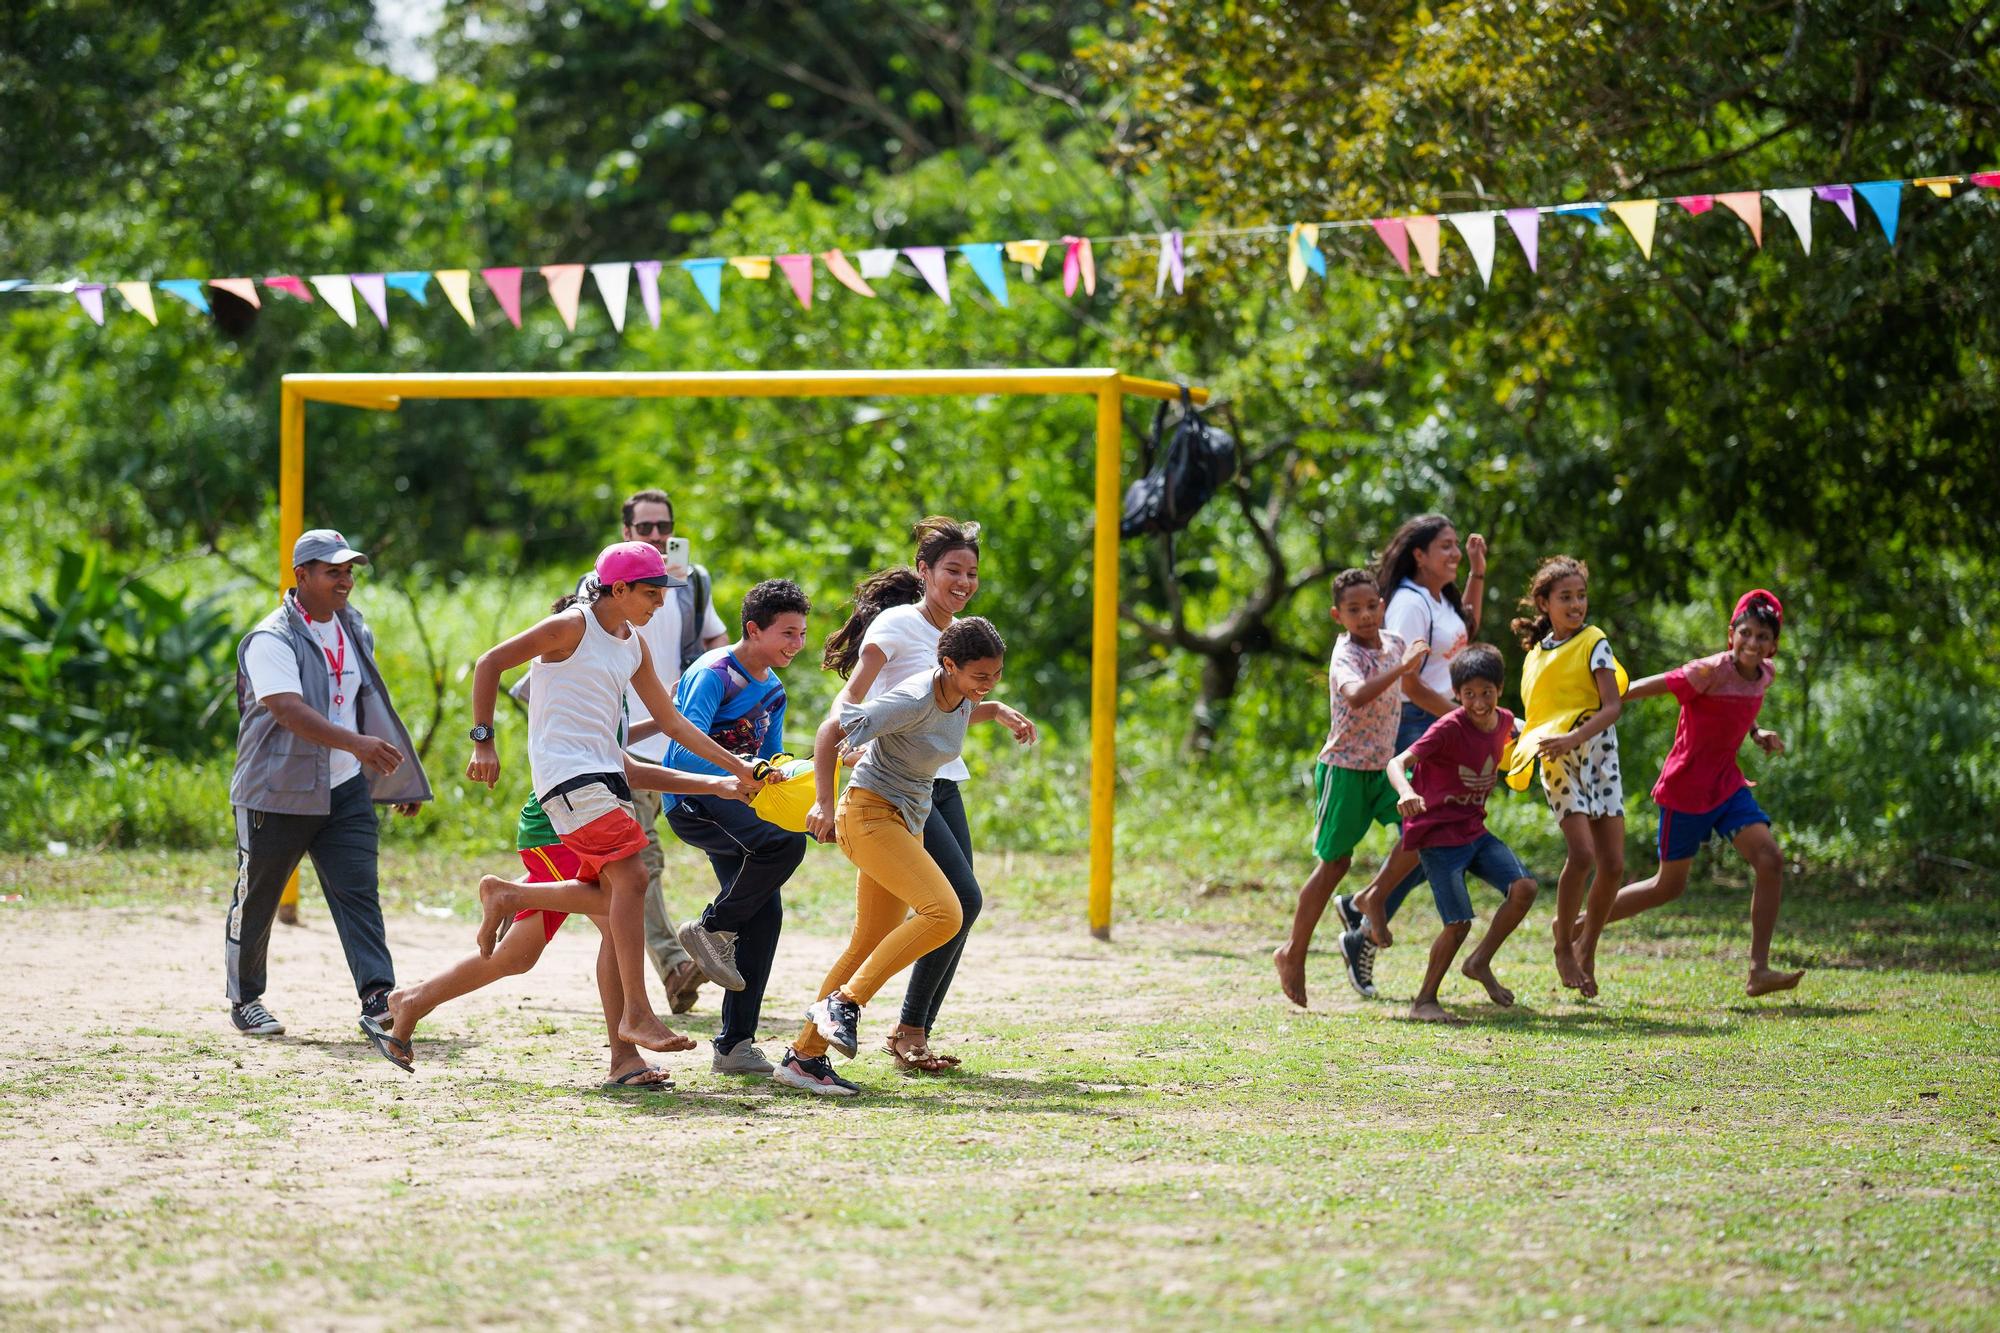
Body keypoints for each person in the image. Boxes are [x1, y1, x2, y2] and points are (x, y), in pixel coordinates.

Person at [463, 541, 763, 1056]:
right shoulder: (571, 627)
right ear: (618, 589)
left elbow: (671, 722)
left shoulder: (632, 645)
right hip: (566, 778)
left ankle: (509, 899)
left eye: (664, 593)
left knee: (617, 899)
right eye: (651, 593)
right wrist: (484, 741)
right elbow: (489, 663)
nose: (660, 604)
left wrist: (733, 770)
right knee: (634, 876)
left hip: (606, 778)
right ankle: (636, 1014)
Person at [373, 746, 751, 1088]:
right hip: (563, 822)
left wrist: (717, 783)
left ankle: (412, 1000)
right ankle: (622, 1058)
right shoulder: (580, 674)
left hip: (582, 816)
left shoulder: (616, 683)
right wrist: (483, 739)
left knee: (517, 955)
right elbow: (495, 669)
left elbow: (628, 766)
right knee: (617, 915)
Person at [814, 517, 1035, 1071]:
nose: (963, 581)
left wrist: (992, 710)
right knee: (950, 906)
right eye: (952, 570)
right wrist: (840, 765)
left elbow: (946, 709)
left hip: (937, 783)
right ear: (924, 572)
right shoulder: (897, 625)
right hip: (886, 788)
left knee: (941, 911)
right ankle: (873, 1020)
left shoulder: (965, 636)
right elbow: (850, 705)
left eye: (972, 573)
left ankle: (843, 1041)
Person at [776, 617, 1011, 1096]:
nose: (988, 685)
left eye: (996, 675)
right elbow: (829, 731)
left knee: (868, 943)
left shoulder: (962, 698)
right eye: (981, 677)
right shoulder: (914, 696)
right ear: (948, 665)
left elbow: (952, 719)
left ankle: (803, 1057)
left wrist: (998, 709)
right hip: (868, 816)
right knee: (945, 913)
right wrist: (822, 801)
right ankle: (845, 1002)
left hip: (905, 820)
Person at [224, 528, 430, 1054]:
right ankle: (245, 998)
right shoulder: (272, 638)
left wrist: (386, 770)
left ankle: (379, 998)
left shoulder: (353, 627)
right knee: (259, 897)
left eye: (349, 570)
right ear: (302, 577)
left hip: (344, 788)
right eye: (333, 571)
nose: (346, 580)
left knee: (358, 891)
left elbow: (363, 702)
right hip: (277, 791)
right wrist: (361, 746)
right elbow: (288, 710)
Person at [1580, 590, 1804, 998]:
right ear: (1730, 635)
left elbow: (1741, 707)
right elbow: (1649, 686)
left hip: (1727, 785)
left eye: (1762, 637)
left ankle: (1758, 969)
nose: (1753, 644)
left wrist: (1757, 733)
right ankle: (1578, 925)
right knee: (1668, 887)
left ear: (1773, 645)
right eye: (1746, 634)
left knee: (1770, 859)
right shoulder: (1707, 671)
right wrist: (1602, 693)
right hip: (1685, 788)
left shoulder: (1766, 674)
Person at [663, 579, 813, 1078]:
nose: (796, 644)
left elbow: (770, 761)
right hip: (693, 801)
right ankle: (709, 928)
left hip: (738, 806)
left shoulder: (773, 690)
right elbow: (682, 749)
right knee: (783, 846)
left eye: (802, 634)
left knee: (766, 914)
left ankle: (734, 1046)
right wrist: (736, 768)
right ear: (753, 629)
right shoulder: (714, 674)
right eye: (787, 633)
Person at [1345, 515, 1490, 982]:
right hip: (1419, 722)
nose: (1453, 553)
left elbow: (1465, 633)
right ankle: (1368, 908)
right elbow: (1409, 680)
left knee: (1435, 843)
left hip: (1443, 719)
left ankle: (1365, 911)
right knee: (1430, 834)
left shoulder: (1438, 599)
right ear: (1419, 555)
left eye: (1455, 545)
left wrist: (1477, 572)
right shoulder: (1408, 604)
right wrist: (1456, 715)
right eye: (1444, 547)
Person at [1273, 568, 1427, 1006]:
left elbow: (1412, 687)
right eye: (1353, 610)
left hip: (1385, 769)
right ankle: (1292, 952)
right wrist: (1401, 666)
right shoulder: (1346, 656)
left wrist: (1461, 713)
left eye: (1371, 606)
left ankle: (1372, 897)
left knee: (1422, 829)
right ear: (1337, 615)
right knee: (1334, 864)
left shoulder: (1394, 643)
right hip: (1344, 772)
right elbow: (1357, 695)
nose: (1364, 616)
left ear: (1382, 604)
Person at [1383, 644, 1538, 1023]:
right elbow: (1397, 762)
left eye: (1486, 692)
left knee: (1524, 889)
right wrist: (1406, 790)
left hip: (1473, 830)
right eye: (1469, 694)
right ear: (1457, 694)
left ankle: (1479, 961)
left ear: (1500, 689)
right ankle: (1423, 1001)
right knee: (1458, 923)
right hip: (1437, 837)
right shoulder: (1449, 727)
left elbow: (1530, 731)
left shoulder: (1505, 722)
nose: (1479, 702)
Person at [1504, 556, 1628, 998]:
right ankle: (1562, 945)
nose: (1576, 605)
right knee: (1583, 854)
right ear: (1544, 603)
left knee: (1613, 865)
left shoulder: (1595, 641)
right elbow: (1538, 715)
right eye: (1565, 598)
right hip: (1557, 760)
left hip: (1599, 756)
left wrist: (1575, 737)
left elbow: (1612, 706)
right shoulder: (1536, 657)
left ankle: (1587, 946)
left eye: (1581, 596)